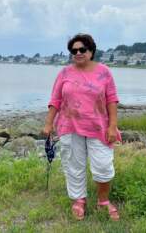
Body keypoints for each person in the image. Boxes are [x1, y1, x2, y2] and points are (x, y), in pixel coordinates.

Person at [43, 33, 121, 221]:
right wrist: (48, 123)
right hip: (69, 126)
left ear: (91, 50)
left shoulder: (104, 72)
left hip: (98, 127)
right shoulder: (64, 73)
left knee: (103, 165)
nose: (78, 53)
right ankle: (79, 200)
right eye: (74, 50)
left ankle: (103, 201)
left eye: (82, 49)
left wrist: (113, 126)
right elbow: (56, 100)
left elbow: (112, 100)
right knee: (73, 165)